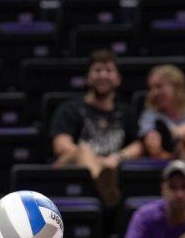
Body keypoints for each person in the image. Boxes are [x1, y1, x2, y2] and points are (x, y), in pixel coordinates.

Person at [49, 49, 145, 208]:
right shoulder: (69, 109)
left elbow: (139, 145)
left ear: (118, 79)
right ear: (88, 78)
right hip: (71, 169)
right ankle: (103, 185)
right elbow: (61, 147)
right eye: (97, 70)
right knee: (83, 149)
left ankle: (105, 185)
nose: (103, 75)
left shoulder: (126, 112)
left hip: (113, 166)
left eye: (108, 70)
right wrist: (98, 161)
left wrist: (117, 157)